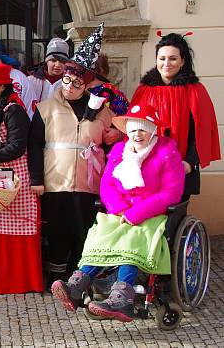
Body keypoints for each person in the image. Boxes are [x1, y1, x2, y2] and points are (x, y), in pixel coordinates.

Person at [51, 104, 184, 322]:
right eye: (133, 130)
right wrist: (121, 209)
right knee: (100, 233)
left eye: (143, 129)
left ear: (152, 130)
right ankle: (78, 285)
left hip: (151, 213)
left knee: (132, 237)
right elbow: (107, 185)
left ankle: (122, 297)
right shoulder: (119, 151)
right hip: (120, 210)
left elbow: (170, 194)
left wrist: (136, 213)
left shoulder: (167, 153)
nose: (137, 134)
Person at [28, 22, 114, 287]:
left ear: (86, 85)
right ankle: (56, 275)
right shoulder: (45, 109)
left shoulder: (102, 111)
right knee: (56, 230)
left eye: (76, 82)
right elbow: (34, 145)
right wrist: (37, 179)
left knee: (84, 229)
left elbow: (113, 143)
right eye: (66, 80)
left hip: (90, 182)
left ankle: (79, 277)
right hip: (56, 181)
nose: (69, 86)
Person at [0, 63, 43, 294]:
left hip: (17, 176)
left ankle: (19, 281)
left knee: (18, 227)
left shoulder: (14, 110)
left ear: (3, 86)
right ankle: (0, 277)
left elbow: (17, 147)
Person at [130, 32, 220, 199]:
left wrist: (189, 163)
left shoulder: (194, 90)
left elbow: (202, 131)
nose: (166, 63)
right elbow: (132, 128)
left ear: (182, 61)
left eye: (172, 58)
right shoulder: (144, 90)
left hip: (180, 166)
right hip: (147, 168)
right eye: (162, 58)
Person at [27, 37, 70, 107]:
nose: (57, 65)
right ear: (47, 61)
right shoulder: (30, 80)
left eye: (62, 61)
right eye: (53, 60)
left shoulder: (70, 83)